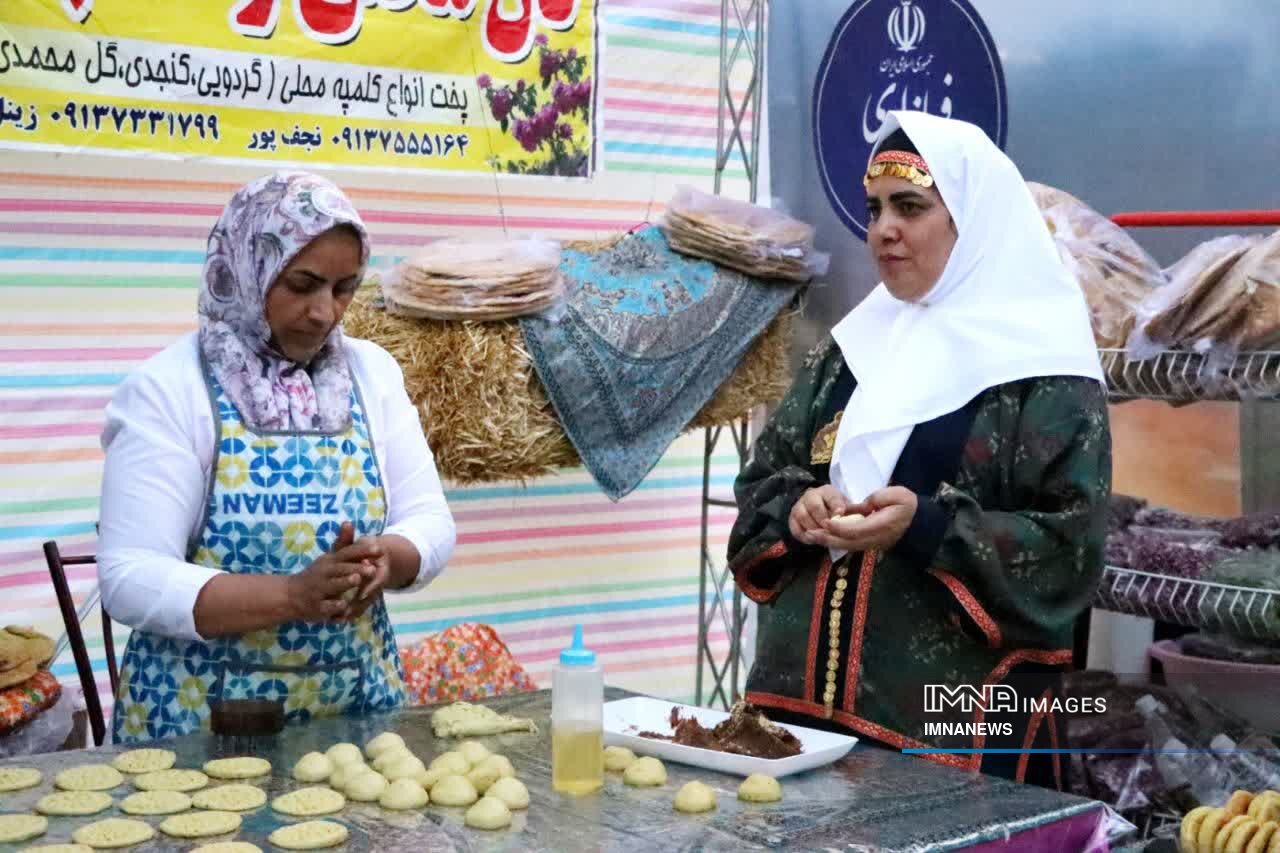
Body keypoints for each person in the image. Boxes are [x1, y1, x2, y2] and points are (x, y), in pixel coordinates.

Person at [728, 111, 1111, 788]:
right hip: (798, 737)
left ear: (974, 220)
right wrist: (798, 507)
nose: (883, 229)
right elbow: (762, 479)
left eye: (910, 207)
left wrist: (929, 527)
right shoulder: (853, 347)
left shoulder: (1044, 370)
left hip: (950, 752)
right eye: (875, 209)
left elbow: (1070, 548)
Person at [97, 172, 456, 743]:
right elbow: (130, 577)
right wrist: (291, 596)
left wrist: (384, 559)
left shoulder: (372, 376)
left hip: (353, 716)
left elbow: (431, 521)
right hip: (199, 728)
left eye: (343, 288)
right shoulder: (169, 389)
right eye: (302, 283)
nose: (324, 313)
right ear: (244, 268)